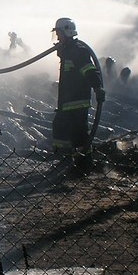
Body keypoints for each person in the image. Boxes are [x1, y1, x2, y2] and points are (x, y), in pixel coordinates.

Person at [51, 18, 105, 166]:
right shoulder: (69, 51)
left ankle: (84, 163)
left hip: (77, 102)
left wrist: (97, 87)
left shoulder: (79, 51)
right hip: (67, 102)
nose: (58, 37)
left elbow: (90, 71)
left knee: (78, 135)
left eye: (60, 33)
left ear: (68, 31)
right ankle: (68, 160)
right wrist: (62, 52)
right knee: (61, 130)